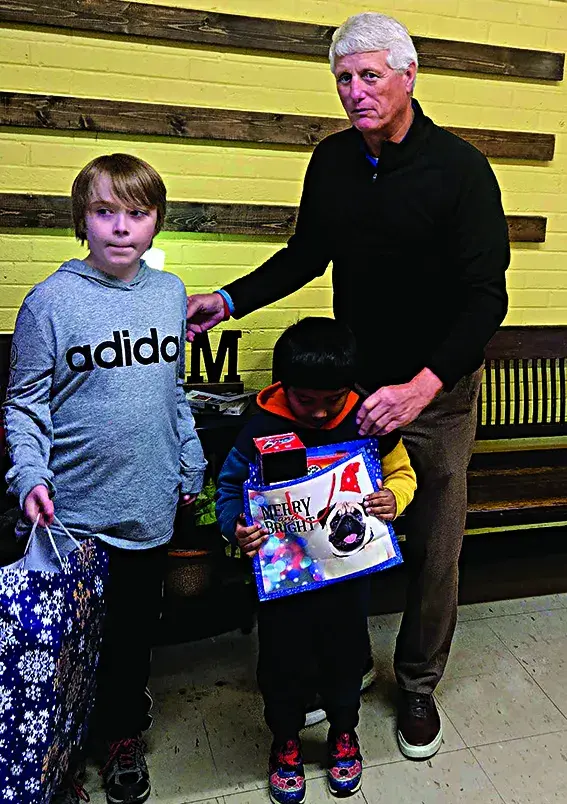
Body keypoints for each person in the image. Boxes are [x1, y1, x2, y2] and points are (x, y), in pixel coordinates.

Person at [186, 11, 510, 761]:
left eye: (370, 75)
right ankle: (344, 664)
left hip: (436, 393)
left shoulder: (460, 170)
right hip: (349, 391)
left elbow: (485, 298)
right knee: (334, 525)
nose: (355, 90)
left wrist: (423, 386)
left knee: (433, 546)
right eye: (343, 77)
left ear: (408, 77)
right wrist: (228, 300)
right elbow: (306, 254)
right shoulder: (332, 161)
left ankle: (418, 682)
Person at [3, 153, 207, 804]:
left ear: (156, 222)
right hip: (70, 517)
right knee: (64, 645)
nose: (122, 227)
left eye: (138, 213)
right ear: (80, 221)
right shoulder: (50, 302)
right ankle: (55, 756)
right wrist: (29, 475)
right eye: (104, 211)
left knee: (129, 638)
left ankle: (122, 735)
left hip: (147, 507)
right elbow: (24, 404)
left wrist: (190, 455)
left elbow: (173, 391)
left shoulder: (169, 294)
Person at [216, 317, 416, 802]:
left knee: (346, 659)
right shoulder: (260, 427)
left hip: (347, 578)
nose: (322, 412)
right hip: (284, 581)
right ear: (283, 385)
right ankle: (285, 741)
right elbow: (228, 489)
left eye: (334, 399)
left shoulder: (368, 420)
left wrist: (395, 496)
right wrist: (236, 527)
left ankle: (344, 733)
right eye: (307, 400)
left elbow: (403, 472)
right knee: (281, 663)